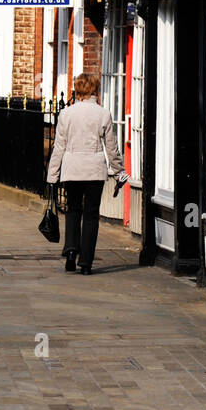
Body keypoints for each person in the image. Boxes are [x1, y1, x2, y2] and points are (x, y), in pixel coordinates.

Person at [47, 74, 128, 274]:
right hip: (94, 170)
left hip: (72, 169)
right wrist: (119, 172)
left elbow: (59, 147)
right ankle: (86, 263)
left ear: (77, 89)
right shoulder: (103, 114)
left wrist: (52, 176)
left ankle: (72, 251)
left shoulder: (66, 114)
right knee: (91, 215)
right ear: (95, 90)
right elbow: (112, 148)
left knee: (73, 210)